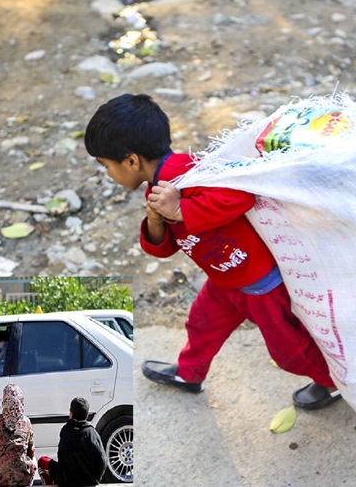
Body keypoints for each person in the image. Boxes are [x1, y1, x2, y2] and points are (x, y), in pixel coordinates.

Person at [84, 93, 340, 409]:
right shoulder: (158, 188)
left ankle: (334, 382)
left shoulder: (189, 172)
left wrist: (180, 209)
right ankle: (189, 375)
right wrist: (156, 220)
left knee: (290, 352)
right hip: (223, 279)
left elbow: (239, 197)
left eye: (107, 165)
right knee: (201, 324)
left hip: (261, 285)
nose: (109, 174)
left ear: (131, 160)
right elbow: (164, 248)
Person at [38, 397, 107, 486]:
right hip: (88, 480)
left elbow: (61, 455)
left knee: (42, 461)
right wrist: (95, 479)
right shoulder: (92, 433)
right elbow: (102, 461)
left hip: (66, 480)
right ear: (86, 415)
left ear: (71, 413)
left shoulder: (66, 430)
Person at [0, 384, 36, 487]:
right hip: (23, 478)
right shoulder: (26, 422)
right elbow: (31, 451)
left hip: (0, 478)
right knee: (34, 461)